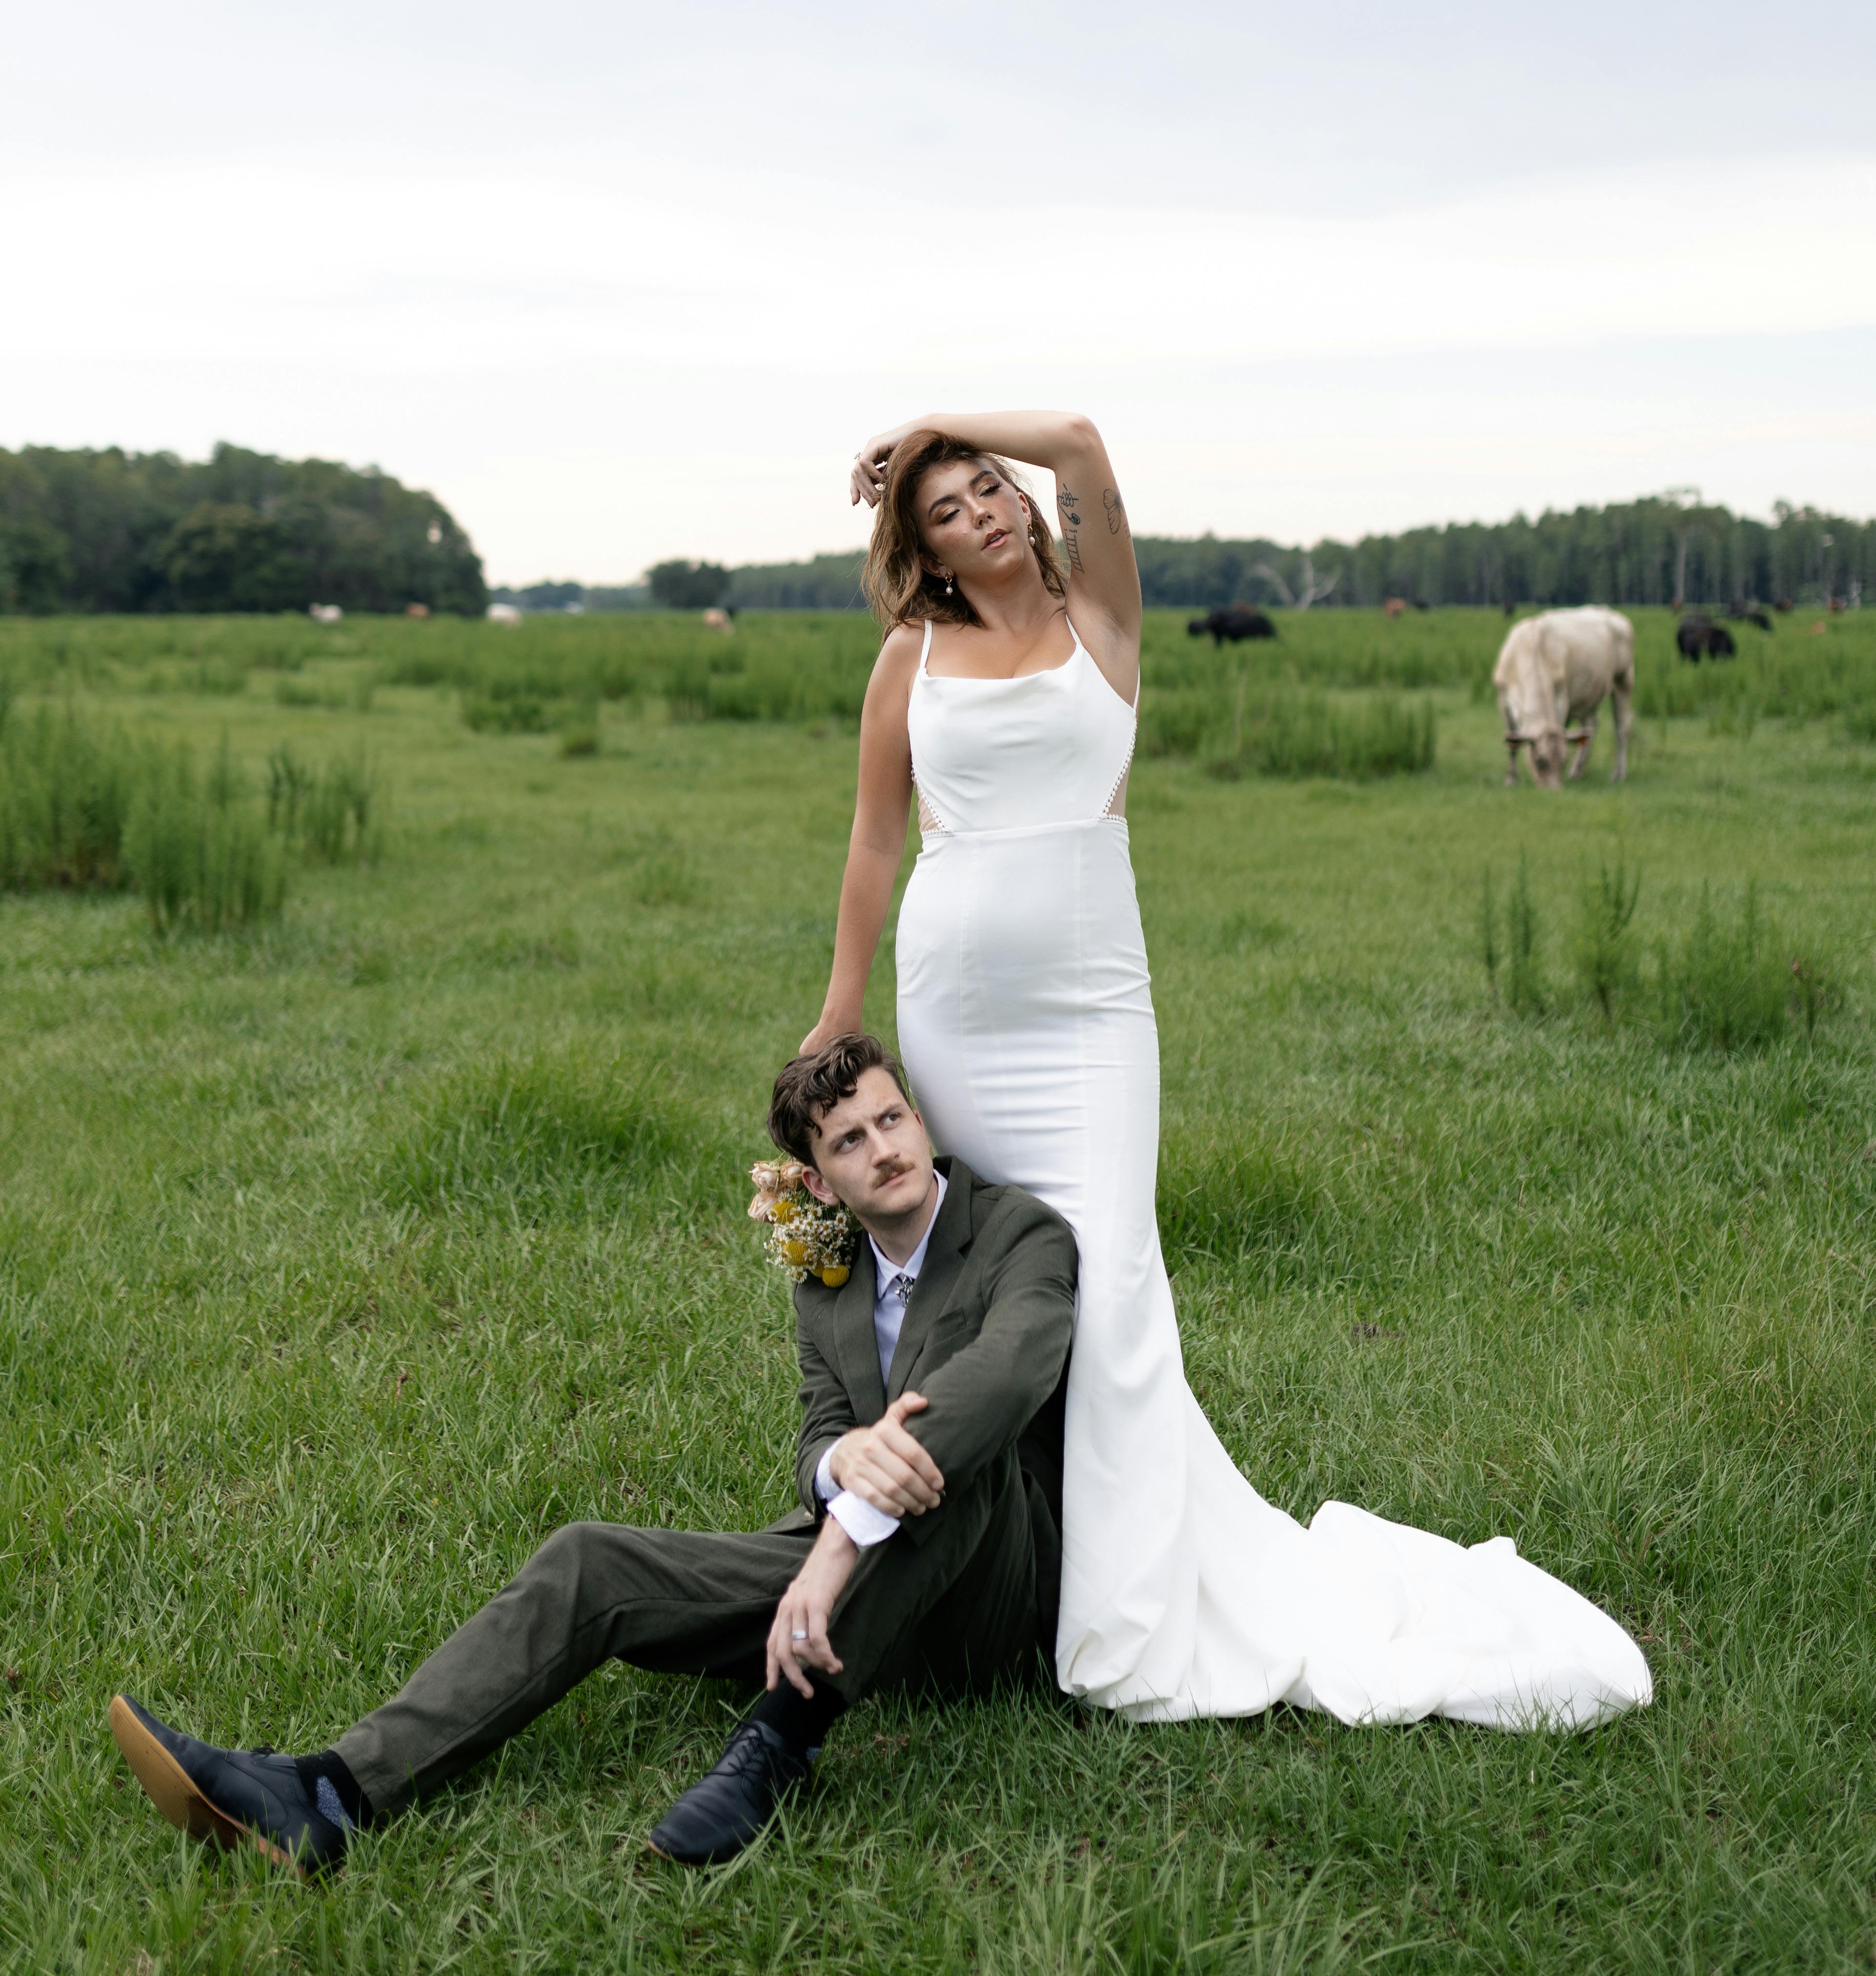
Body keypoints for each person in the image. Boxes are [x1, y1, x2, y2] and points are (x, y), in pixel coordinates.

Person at [802, 408, 1652, 1729]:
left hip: (1090, 1013)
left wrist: (935, 423)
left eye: (986, 489)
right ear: (927, 557)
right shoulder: (909, 658)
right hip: (956, 998)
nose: (980, 510)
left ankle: (1129, 1619)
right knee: (990, 1281)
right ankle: (1009, 1566)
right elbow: (871, 843)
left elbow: (1078, 440)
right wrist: (837, 1013)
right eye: (945, 511)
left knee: (1114, 1280)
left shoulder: (1104, 624)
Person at [108, 1038, 1077, 1873]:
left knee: (959, 1442)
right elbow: (819, 1434)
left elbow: (1011, 1367)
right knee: (588, 1558)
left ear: (917, 1117)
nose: (885, 1148)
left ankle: (779, 1742)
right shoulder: (827, 1281)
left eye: (891, 1118)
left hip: (979, 1599)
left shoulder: (1014, 1231)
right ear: (818, 1181)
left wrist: (842, 1535)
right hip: (840, 1592)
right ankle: (331, 1794)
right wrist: (836, 1475)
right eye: (850, 1140)